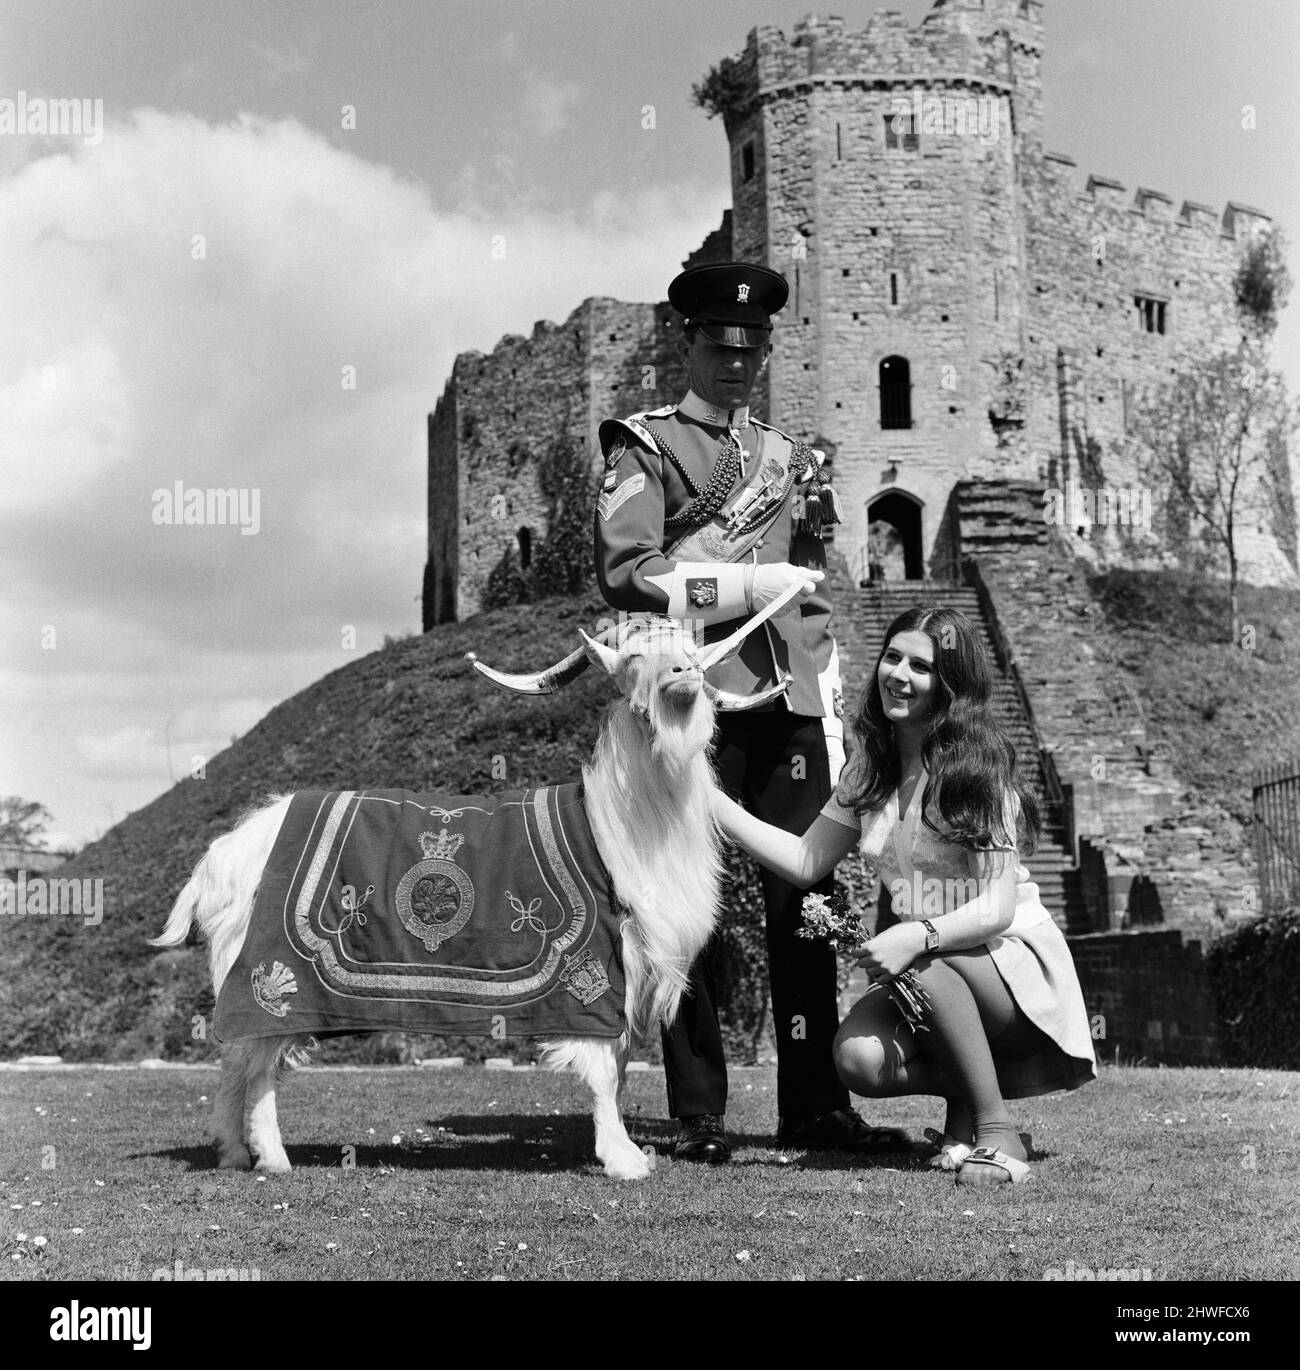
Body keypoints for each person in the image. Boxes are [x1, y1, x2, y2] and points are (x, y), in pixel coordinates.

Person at [593, 260, 908, 1163]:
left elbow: (806, 593)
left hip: (789, 705)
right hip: (694, 700)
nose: (736, 363)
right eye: (720, 346)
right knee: (682, 902)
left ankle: (814, 1106)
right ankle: (697, 1113)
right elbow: (628, 573)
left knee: (806, 904)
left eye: (751, 348)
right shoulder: (644, 448)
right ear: (687, 344)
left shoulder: (790, 460)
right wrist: (740, 580)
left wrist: (832, 707)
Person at [713, 605, 1098, 1184]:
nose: (899, 674)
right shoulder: (869, 770)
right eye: (892, 657)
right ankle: (969, 1102)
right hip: (933, 968)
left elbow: (995, 907)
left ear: (950, 686)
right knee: (858, 1060)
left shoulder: (978, 771)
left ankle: (997, 1132)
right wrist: (711, 801)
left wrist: (915, 935)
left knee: (928, 963)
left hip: (1014, 968)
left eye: (921, 666)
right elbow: (804, 860)